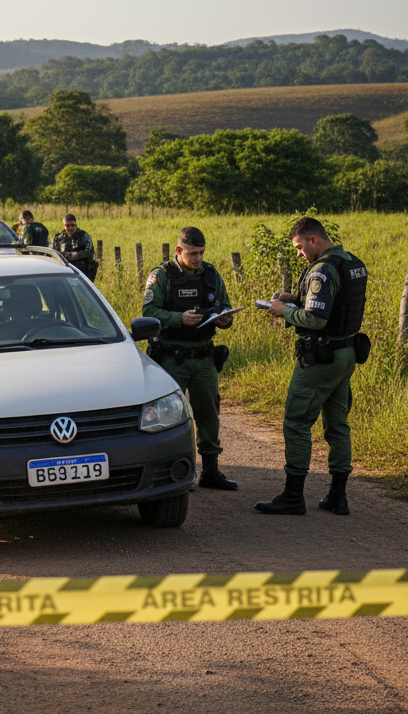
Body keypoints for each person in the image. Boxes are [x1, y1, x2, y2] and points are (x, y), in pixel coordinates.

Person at [257, 216, 367, 516]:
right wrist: (295, 298)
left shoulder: (322, 269)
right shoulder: (351, 262)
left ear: (313, 240)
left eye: (299, 247)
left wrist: (283, 311)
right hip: (346, 354)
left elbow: (316, 319)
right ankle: (338, 496)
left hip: (321, 356)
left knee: (296, 421)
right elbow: (336, 304)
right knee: (337, 424)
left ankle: (293, 496)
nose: (298, 254)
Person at [141, 227, 239, 490]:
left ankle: (211, 471)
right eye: (193, 253)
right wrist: (179, 318)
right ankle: (167, 472)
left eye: (201, 253)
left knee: (209, 413)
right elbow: (149, 311)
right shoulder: (162, 275)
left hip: (204, 356)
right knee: (167, 415)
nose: (198, 258)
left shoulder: (210, 274)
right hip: (171, 357)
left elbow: (225, 306)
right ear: (178, 250)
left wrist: (224, 319)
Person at [51, 213, 97, 279]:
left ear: (76, 225)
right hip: (64, 272)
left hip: (82, 273)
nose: (70, 228)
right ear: (64, 225)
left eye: (72, 225)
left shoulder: (84, 236)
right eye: (67, 225)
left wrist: (78, 255)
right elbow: (55, 254)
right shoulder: (58, 237)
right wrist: (69, 256)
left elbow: (89, 252)